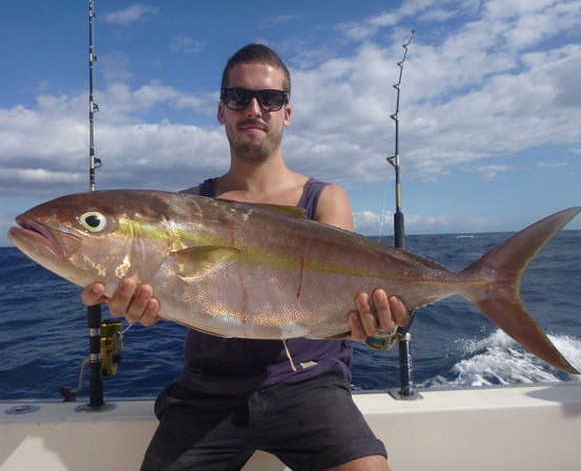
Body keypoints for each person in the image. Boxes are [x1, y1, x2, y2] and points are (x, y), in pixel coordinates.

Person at [82, 43, 409, 471]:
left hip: (309, 384)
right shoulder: (187, 207)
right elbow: (169, 295)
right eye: (239, 97)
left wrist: (383, 332)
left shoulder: (325, 199)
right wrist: (140, 311)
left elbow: (350, 304)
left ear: (286, 113)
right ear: (222, 111)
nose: (254, 108)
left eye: (270, 98)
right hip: (207, 392)